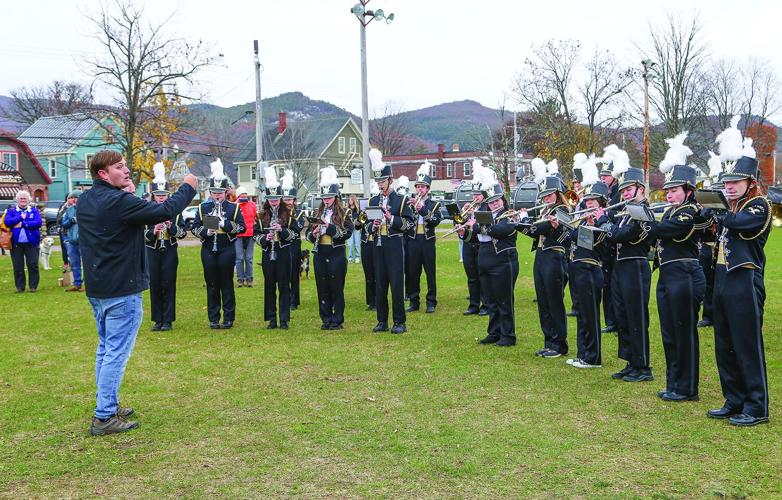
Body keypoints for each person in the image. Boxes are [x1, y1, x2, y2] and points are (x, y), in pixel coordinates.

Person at [76, 150, 197, 435]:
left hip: (99, 287)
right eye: (119, 167)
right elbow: (164, 211)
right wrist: (188, 187)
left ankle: (108, 403)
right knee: (115, 353)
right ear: (103, 174)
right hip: (121, 289)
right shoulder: (118, 202)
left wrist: (128, 194)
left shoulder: (86, 199)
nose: (127, 170)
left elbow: (125, 216)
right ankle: (104, 416)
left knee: (106, 349)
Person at [707, 138, 771, 426]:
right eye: (727, 182)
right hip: (722, 277)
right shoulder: (730, 208)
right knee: (724, 343)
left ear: (750, 182)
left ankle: (756, 406)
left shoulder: (760, 205)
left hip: (745, 279)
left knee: (746, 343)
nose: (730, 186)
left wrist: (721, 214)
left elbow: (744, 223)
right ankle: (733, 399)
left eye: (736, 182)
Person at [645, 145, 707, 400]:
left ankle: (687, 388)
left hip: (685, 274)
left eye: (674, 191)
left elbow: (665, 231)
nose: (668, 196)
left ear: (688, 191)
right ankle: (674, 383)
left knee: (684, 332)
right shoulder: (671, 212)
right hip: (668, 275)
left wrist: (647, 220)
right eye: (667, 191)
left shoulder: (690, 212)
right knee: (670, 332)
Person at [595, 164, 653, 383]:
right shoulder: (625, 212)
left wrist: (602, 221)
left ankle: (643, 365)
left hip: (635, 267)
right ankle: (630, 362)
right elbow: (612, 236)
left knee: (636, 316)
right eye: (624, 190)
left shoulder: (643, 212)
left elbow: (622, 235)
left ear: (640, 189)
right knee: (623, 316)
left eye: (630, 190)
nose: (625, 193)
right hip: (620, 266)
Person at [517, 165, 571, 358]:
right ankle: (549, 341)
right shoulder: (545, 210)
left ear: (557, 193)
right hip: (541, 256)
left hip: (555, 258)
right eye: (544, 195)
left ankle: (560, 344)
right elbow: (533, 231)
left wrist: (523, 221)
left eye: (550, 195)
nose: (546, 198)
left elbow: (542, 230)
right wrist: (521, 222)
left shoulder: (563, 209)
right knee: (543, 300)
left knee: (554, 301)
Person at [192, 159, 245, 330]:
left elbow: (241, 227)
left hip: (226, 247)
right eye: (214, 192)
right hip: (208, 247)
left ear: (225, 192)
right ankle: (213, 317)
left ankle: (229, 317)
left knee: (226, 283)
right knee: (212, 283)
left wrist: (224, 224)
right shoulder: (203, 207)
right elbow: (194, 228)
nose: (217, 195)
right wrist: (206, 232)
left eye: (220, 192)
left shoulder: (233, 208)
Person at [564, 172, 609, 368]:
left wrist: (594, 223)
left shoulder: (604, 221)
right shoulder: (584, 218)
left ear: (601, 204)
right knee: (582, 315)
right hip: (578, 269)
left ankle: (593, 357)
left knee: (590, 317)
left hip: (591, 270)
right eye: (587, 200)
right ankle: (583, 353)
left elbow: (600, 246)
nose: (588, 204)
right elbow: (571, 238)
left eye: (593, 201)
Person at [367, 148, 415, 333]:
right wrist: (374, 225)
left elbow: (409, 225)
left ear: (390, 180)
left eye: (382, 181)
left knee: (396, 285)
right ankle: (381, 321)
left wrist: (391, 219)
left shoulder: (401, 201)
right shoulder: (373, 201)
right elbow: (367, 227)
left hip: (394, 246)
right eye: (377, 181)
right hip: (378, 246)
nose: (380, 185)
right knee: (379, 284)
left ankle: (399, 322)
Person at [469, 178, 519, 346]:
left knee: (504, 300)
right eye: (491, 202)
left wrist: (477, 226)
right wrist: (465, 232)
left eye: (497, 200)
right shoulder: (485, 216)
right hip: (485, 259)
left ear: (502, 200)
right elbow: (476, 237)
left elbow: (502, 230)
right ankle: (494, 332)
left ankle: (508, 335)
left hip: (503, 261)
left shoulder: (509, 214)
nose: (494, 204)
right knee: (490, 300)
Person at [306, 166, 353, 330]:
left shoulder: (345, 213)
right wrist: (314, 233)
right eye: (324, 197)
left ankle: (337, 319)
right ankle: (325, 318)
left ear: (335, 196)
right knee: (322, 287)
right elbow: (307, 235)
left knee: (337, 287)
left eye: (329, 197)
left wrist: (330, 228)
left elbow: (348, 233)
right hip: (320, 253)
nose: (326, 200)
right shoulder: (317, 212)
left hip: (336, 254)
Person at [144, 167, 187, 331]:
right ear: (153, 195)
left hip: (169, 249)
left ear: (168, 195)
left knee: (168, 284)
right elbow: (141, 234)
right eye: (158, 195)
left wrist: (171, 227)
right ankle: (157, 319)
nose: (161, 198)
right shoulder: (146, 210)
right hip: (152, 250)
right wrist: (153, 231)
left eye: (164, 195)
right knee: (154, 283)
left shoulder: (175, 212)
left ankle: (168, 319)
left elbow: (182, 234)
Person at [255, 167, 295, 329]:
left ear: (280, 198)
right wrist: (265, 238)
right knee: (269, 286)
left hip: (284, 253)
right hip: (268, 253)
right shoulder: (261, 215)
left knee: (284, 286)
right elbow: (255, 236)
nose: (274, 201)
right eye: (271, 199)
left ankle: (284, 319)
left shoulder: (290, 214)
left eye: (276, 198)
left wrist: (282, 231)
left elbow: (296, 234)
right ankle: (272, 319)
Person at [406, 162, 442, 313]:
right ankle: (414, 302)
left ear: (428, 189)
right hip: (413, 241)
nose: (419, 189)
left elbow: (435, 221)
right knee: (413, 273)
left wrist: (422, 209)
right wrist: (413, 208)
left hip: (427, 242)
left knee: (430, 273)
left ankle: (431, 302)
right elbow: (406, 223)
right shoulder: (409, 203)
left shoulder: (434, 204)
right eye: (418, 186)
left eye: (422, 186)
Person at [459, 159, 488, 316]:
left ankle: (486, 305)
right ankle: (473, 304)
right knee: (471, 276)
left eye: (478, 195)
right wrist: (461, 216)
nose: (475, 197)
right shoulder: (468, 207)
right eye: (474, 194)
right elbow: (459, 222)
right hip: (468, 244)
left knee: (482, 276)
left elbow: (484, 228)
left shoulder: (486, 208)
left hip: (481, 245)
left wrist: (473, 219)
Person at [598, 147, 622, 334]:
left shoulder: (619, 193)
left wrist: (604, 215)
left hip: (615, 239)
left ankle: (615, 321)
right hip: (606, 241)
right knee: (607, 284)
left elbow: (617, 214)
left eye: (606, 176)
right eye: (602, 176)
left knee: (614, 285)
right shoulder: (604, 192)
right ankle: (610, 320)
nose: (603, 179)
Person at [4, 190, 42, 292]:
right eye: (21, 198)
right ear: (17, 200)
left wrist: (23, 224)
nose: (23, 200)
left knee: (33, 265)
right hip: (16, 244)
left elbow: (38, 223)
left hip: (32, 243)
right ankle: (20, 287)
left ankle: (33, 287)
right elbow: (7, 222)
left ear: (28, 200)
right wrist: (20, 217)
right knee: (18, 266)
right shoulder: (11, 211)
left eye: (25, 198)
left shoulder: (34, 210)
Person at [281, 169, 305, 310]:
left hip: (294, 245)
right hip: (283, 245)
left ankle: (294, 300)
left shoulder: (300, 213)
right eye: (285, 199)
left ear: (295, 200)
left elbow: (297, 228)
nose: (287, 202)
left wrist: (289, 217)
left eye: (290, 199)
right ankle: (286, 297)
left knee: (294, 273)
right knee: (283, 272)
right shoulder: (279, 213)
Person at [359, 182, 380, 311]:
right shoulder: (365, 209)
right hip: (366, 243)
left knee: (377, 272)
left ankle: (378, 300)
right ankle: (370, 301)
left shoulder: (380, 205)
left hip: (376, 242)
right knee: (368, 273)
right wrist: (361, 215)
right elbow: (358, 225)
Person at [234, 186, 257, 288]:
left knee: (249, 259)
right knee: (239, 259)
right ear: (238, 196)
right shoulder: (234, 206)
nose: (244, 197)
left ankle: (249, 279)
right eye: (242, 196)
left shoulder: (252, 205)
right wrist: (236, 203)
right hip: (238, 235)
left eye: (245, 195)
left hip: (250, 235)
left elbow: (256, 218)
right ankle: (240, 279)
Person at [60, 190, 83, 292]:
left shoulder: (88, 209)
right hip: (72, 241)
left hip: (85, 240)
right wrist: (72, 220)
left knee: (88, 263)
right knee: (74, 263)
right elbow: (63, 224)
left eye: (76, 197)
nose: (74, 200)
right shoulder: (69, 210)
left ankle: (89, 284)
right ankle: (77, 284)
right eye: (72, 197)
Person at [347, 194, 362, 264]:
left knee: (357, 243)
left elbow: (362, 219)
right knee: (350, 244)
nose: (350, 201)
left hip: (356, 229)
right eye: (349, 200)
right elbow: (345, 219)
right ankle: (350, 257)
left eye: (351, 199)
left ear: (354, 200)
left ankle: (357, 257)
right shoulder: (347, 209)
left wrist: (357, 222)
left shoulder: (358, 209)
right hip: (349, 228)